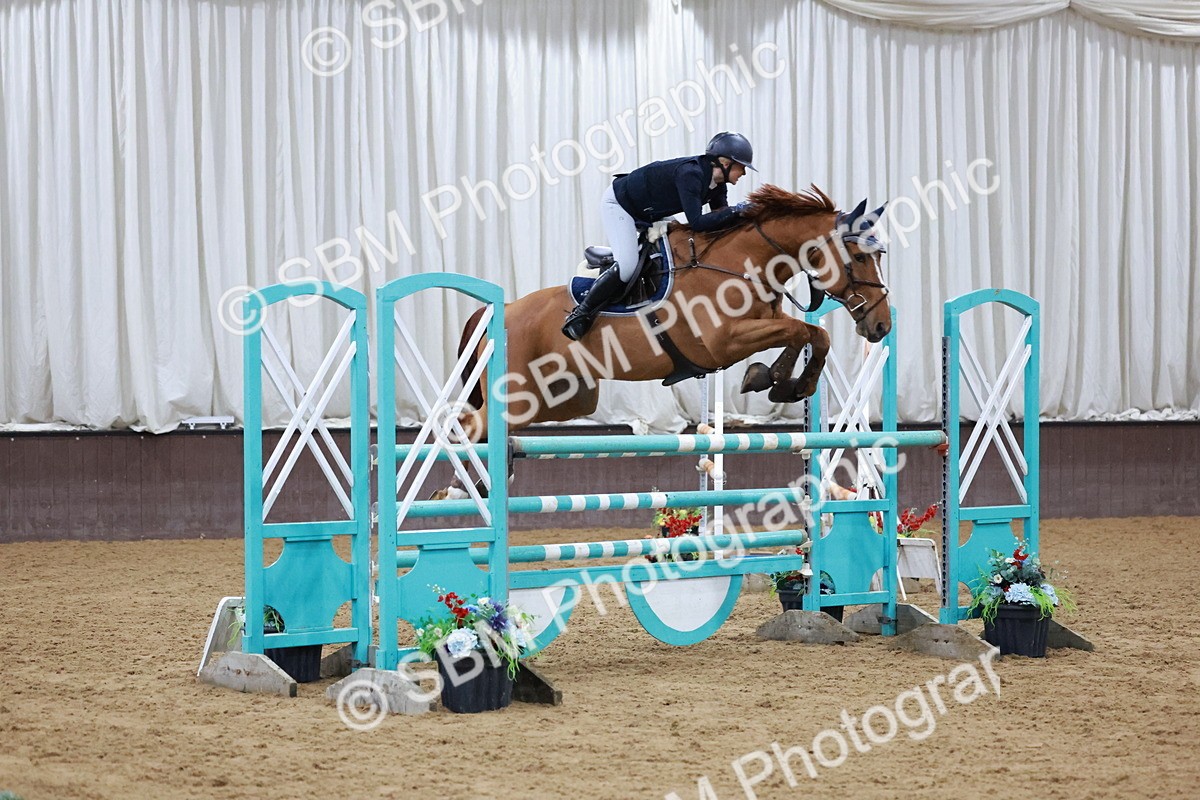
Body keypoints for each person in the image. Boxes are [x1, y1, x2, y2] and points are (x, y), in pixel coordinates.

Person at [561, 132, 757, 341]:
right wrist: (737, 210)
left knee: (679, 246)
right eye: (741, 166)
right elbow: (699, 223)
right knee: (627, 266)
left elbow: (719, 219)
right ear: (725, 162)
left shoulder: (717, 185)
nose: (744, 172)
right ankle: (581, 313)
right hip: (621, 205)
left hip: (650, 210)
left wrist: (744, 218)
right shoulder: (691, 174)